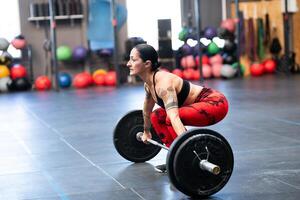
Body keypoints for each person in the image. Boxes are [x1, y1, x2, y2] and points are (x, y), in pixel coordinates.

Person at [127, 44, 228, 173]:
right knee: (156, 116)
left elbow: (174, 117)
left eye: (133, 60)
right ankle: (176, 158)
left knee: (170, 118)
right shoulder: (149, 85)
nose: (128, 64)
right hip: (201, 105)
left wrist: (188, 146)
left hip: (215, 104)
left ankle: (188, 156)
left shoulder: (164, 84)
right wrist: (146, 132)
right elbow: (147, 111)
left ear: (147, 64)